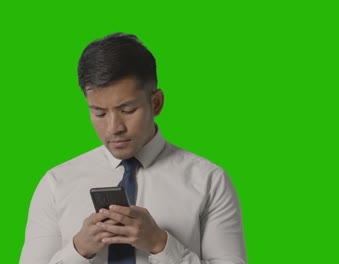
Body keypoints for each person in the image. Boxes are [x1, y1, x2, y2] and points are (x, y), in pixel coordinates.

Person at [19, 32, 247, 264]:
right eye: (99, 113)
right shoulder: (56, 183)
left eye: (127, 111)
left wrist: (160, 244)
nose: (113, 128)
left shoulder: (209, 181)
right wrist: (78, 250)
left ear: (156, 103)